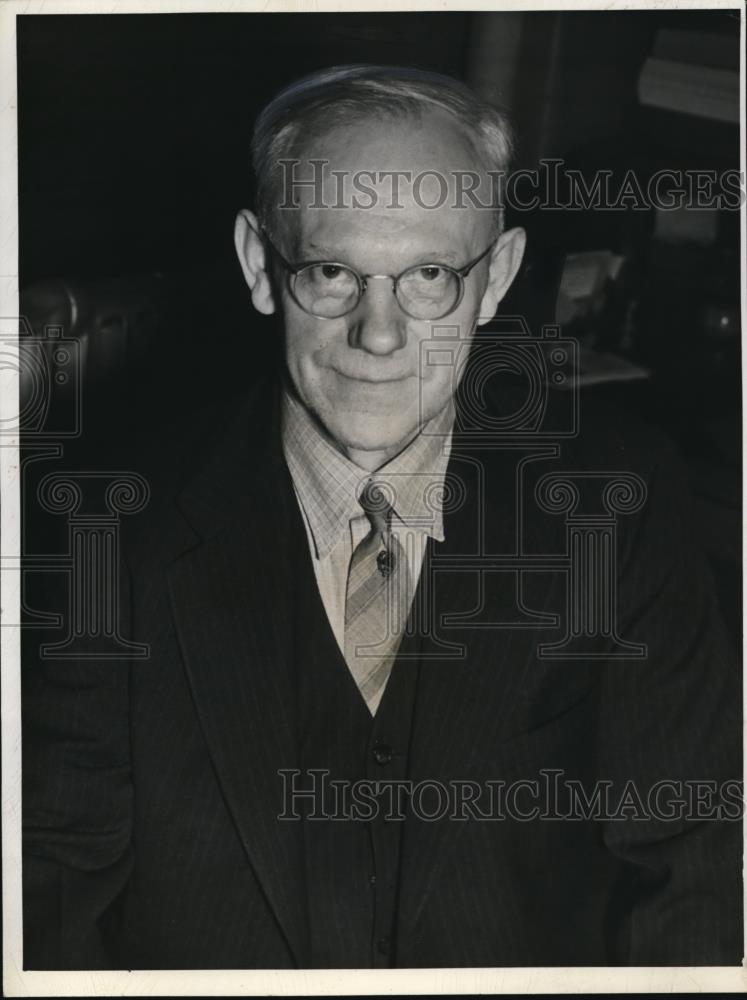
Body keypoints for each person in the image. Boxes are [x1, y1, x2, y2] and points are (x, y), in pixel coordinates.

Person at [23, 65, 741, 970]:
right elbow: (44, 883)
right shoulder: (112, 530)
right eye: (331, 271)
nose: (379, 334)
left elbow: (701, 860)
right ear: (259, 264)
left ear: (496, 279)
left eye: (430, 275)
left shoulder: (617, 502)